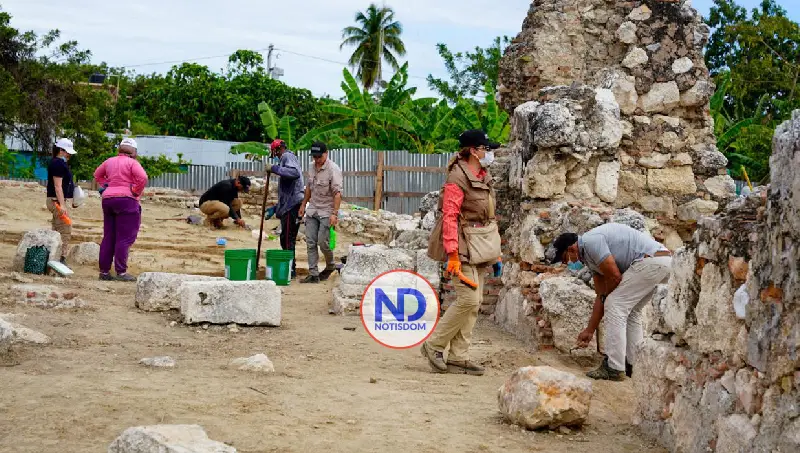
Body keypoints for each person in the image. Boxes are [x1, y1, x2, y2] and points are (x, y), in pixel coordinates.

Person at [420, 129, 502, 376]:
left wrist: (496, 253)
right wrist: (453, 255)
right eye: (486, 149)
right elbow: (450, 217)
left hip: (481, 243)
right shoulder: (457, 177)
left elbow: (489, 215)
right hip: (461, 244)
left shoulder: (483, 175)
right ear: (474, 151)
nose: (490, 153)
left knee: (474, 304)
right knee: (469, 299)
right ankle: (434, 345)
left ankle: (459, 356)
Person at [551, 223, 673, 381]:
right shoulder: (590, 259)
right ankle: (634, 365)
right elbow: (600, 295)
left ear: (571, 249)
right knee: (631, 311)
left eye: (565, 259)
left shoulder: (591, 242)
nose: (567, 264)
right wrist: (589, 330)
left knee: (615, 304)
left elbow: (615, 277)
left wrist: (607, 298)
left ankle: (614, 367)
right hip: (662, 261)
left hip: (650, 261)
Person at [93, 138, 149, 282]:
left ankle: (104, 272)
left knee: (109, 236)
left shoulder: (109, 161)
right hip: (127, 201)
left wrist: (106, 185)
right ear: (134, 152)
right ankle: (121, 272)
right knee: (124, 238)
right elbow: (143, 177)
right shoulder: (132, 163)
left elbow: (97, 174)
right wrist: (135, 191)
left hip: (108, 199)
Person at [298, 141, 342, 283]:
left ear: (326, 154)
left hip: (327, 211)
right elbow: (309, 188)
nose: (317, 160)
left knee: (322, 242)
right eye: (314, 157)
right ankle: (313, 274)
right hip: (313, 209)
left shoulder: (333, 169)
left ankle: (330, 265)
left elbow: (337, 194)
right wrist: (303, 205)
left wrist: (334, 214)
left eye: (319, 157)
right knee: (310, 242)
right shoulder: (311, 167)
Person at [267, 139, 304, 279]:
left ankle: (290, 269)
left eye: (275, 152)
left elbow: (294, 173)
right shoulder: (285, 159)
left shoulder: (287, 156)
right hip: (289, 205)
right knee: (285, 238)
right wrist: (276, 208)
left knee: (288, 238)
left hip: (293, 205)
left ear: (278, 149)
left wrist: (274, 169)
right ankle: (290, 266)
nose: (275, 156)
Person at [46, 138, 77, 264]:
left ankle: (52, 257)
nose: (69, 155)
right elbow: (57, 186)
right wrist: (62, 205)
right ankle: (61, 259)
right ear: (61, 150)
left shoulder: (59, 163)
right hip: (56, 201)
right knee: (65, 228)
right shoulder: (58, 164)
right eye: (67, 152)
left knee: (56, 229)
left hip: (58, 200)